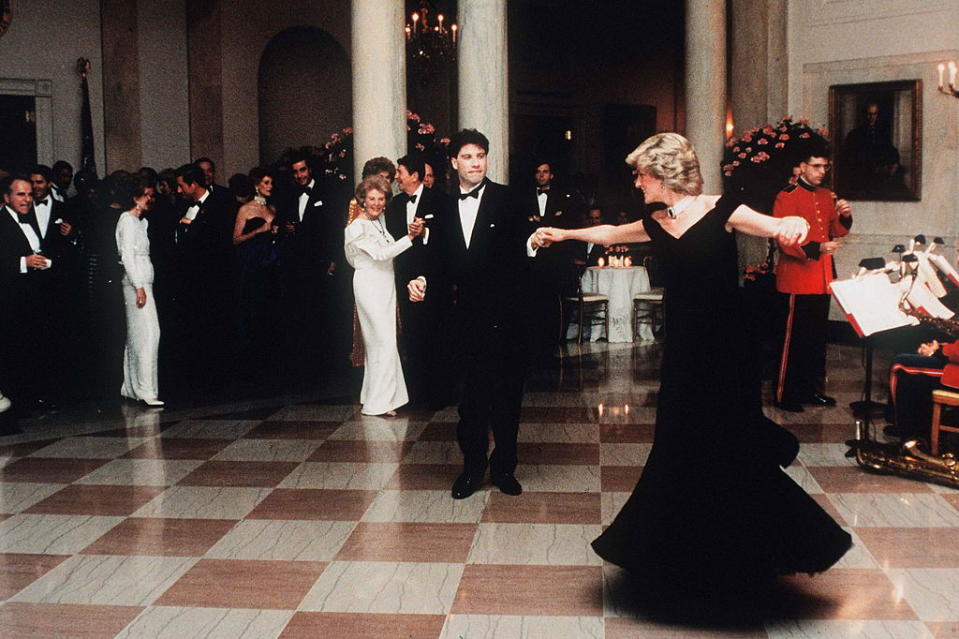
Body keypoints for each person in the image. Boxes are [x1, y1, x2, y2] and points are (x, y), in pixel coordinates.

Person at [538, 133, 851, 605]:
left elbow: (775, 224)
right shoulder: (656, 221)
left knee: (728, 444)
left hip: (728, 349)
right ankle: (681, 552)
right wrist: (564, 234)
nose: (637, 181)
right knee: (680, 444)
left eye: (641, 173)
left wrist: (791, 224)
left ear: (662, 173)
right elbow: (609, 233)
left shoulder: (722, 208)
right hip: (683, 352)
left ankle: (750, 549)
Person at [408, 129, 541, 499]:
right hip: (464, 320)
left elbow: (523, 246)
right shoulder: (443, 207)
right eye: (467, 156)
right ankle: (471, 469)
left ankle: (504, 468)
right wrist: (420, 279)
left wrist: (532, 243)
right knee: (471, 401)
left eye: (480, 155)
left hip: (506, 318)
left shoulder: (508, 198)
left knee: (507, 397)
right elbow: (437, 262)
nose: (475, 162)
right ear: (454, 163)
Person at [774, 145, 853, 412]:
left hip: (822, 278)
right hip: (797, 278)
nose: (822, 171)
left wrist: (845, 215)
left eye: (825, 166)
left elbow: (836, 230)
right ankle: (784, 395)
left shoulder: (824, 195)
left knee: (815, 339)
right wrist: (816, 248)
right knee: (792, 341)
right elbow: (784, 239)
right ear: (803, 166)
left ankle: (809, 390)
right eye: (817, 166)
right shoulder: (787, 196)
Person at [345, 175, 423, 416]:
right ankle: (381, 402)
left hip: (384, 284)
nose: (377, 203)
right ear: (362, 200)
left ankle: (373, 396)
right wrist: (410, 238)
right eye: (372, 199)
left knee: (382, 342)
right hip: (370, 285)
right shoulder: (357, 226)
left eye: (381, 199)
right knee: (383, 342)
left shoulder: (377, 222)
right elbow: (381, 254)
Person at [386, 154, 449, 409]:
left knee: (433, 334)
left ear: (414, 175)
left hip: (433, 278)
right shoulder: (395, 204)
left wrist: (425, 232)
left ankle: (438, 394)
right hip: (403, 278)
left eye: (400, 172)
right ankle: (414, 393)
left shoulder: (440, 200)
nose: (397, 177)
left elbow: (447, 239)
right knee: (411, 335)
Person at [115, 177, 163, 407]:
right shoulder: (126, 220)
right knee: (148, 335)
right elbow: (126, 256)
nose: (150, 199)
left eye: (152, 195)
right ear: (135, 198)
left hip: (145, 281)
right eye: (146, 195)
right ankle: (145, 389)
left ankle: (132, 387)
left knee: (139, 335)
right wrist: (139, 287)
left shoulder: (140, 222)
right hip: (137, 283)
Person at [232, 166, 280, 373]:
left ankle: (268, 356)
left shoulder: (273, 209)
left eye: (271, 183)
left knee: (269, 307)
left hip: (270, 262)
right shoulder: (246, 209)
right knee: (251, 306)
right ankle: (251, 358)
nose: (270, 186)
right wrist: (259, 231)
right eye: (266, 183)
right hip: (252, 263)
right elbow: (235, 239)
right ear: (256, 185)